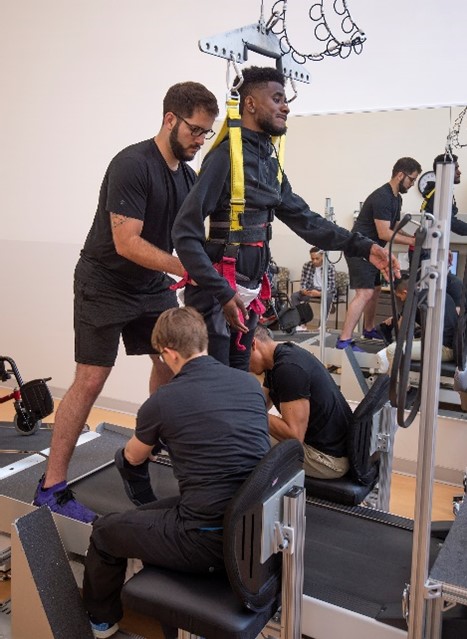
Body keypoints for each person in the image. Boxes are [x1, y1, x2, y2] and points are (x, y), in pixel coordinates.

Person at [33, 82, 219, 522]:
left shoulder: (187, 178)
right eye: (195, 130)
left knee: (171, 365)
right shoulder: (133, 164)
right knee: (91, 379)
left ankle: (144, 450)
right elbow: (126, 242)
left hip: (150, 285)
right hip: (104, 282)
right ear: (170, 119)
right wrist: (184, 268)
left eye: (206, 134)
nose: (199, 140)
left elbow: (188, 238)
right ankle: (51, 486)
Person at [172, 65, 397, 371]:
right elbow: (184, 232)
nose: (286, 106)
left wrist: (364, 246)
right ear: (250, 104)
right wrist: (222, 293)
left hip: (247, 294)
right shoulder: (225, 158)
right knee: (214, 387)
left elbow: (307, 221)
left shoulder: (268, 162)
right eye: (277, 98)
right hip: (216, 297)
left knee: (239, 378)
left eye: (285, 99)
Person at [82, 306, 270, 638]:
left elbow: (133, 458)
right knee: (152, 512)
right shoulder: (249, 384)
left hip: (206, 539)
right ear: (204, 341)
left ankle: (101, 623)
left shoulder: (163, 401)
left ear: (168, 353)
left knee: (104, 532)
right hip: (254, 527)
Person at [337, 157, 422, 351]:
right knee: (364, 293)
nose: (412, 184)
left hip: (373, 251)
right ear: (400, 175)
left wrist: (414, 238)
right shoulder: (382, 197)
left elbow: (395, 228)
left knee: (374, 290)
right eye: (411, 180)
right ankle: (344, 340)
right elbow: (384, 233)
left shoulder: (396, 198)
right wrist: (413, 242)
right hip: (359, 250)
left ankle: (368, 329)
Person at [249, 324, 351, 479]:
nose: (244, 365)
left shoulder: (288, 369)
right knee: (244, 431)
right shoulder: (277, 360)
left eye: (242, 356)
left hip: (328, 460)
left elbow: (294, 436)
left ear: (253, 344)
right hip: (324, 448)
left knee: (244, 442)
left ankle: (244, 501)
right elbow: (262, 403)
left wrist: (251, 412)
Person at [377, 277, 457, 373]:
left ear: (405, 292)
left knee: (391, 350)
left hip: (443, 349)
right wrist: (397, 317)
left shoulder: (412, 300)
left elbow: (401, 329)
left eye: (400, 297)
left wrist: (400, 317)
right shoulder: (431, 294)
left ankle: (398, 385)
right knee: (393, 348)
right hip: (450, 346)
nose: (401, 300)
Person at [419, 154, 465, 309]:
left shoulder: (442, 193)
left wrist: (447, 248)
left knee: (456, 289)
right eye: (456, 168)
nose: (459, 172)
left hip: (433, 252)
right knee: (453, 292)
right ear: (445, 170)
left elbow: (441, 226)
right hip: (426, 255)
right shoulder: (439, 194)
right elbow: (451, 224)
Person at [291, 246, 336, 330]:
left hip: (324, 291)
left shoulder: (329, 267)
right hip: (311, 289)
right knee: (294, 296)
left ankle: (322, 325)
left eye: (317, 258)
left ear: (322, 256)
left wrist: (319, 293)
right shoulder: (307, 265)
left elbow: (331, 287)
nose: (314, 261)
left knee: (328, 297)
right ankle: (302, 323)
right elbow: (303, 281)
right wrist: (303, 290)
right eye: (312, 258)